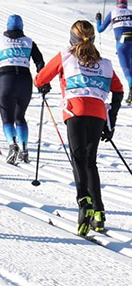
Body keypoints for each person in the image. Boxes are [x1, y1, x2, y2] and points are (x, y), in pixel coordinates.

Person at [34, 20, 123, 235]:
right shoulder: (104, 62)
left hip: (75, 111)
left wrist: (43, 84)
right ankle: (99, 212)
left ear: (72, 38)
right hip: (98, 114)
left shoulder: (65, 55)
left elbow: (39, 78)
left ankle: (84, 203)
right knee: (90, 162)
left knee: (78, 159)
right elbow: (118, 91)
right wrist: (111, 119)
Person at [0, 14, 45, 164]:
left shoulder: (0, 41)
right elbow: (40, 62)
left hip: (6, 80)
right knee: (20, 117)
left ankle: (12, 145)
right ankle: (24, 150)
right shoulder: (29, 42)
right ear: (22, 27)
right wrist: (41, 81)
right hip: (24, 80)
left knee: (7, 118)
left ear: (7, 26)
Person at [97, 0, 132, 104]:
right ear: (126, 3)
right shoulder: (130, 12)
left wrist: (98, 19)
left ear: (117, 3)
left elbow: (100, 29)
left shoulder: (113, 12)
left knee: (127, 68)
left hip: (122, 43)